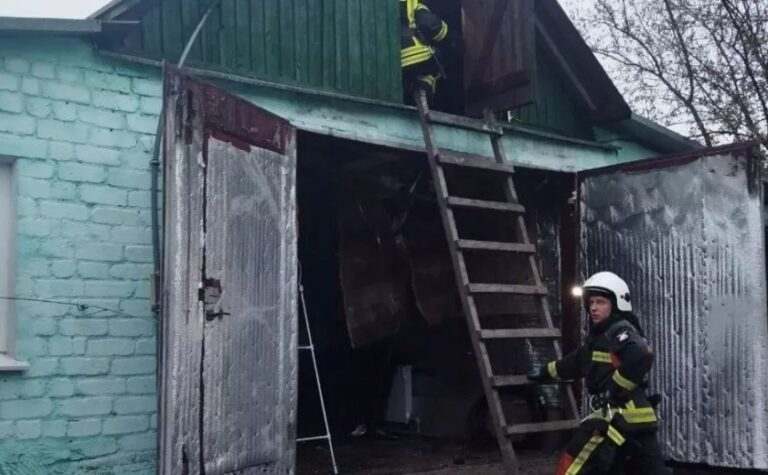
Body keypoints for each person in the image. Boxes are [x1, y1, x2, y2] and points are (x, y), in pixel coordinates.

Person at [527, 271, 671, 475]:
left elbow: (642, 354)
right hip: (636, 419)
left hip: (618, 418)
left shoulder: (619, 330)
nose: (593, 308)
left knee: (573, 465)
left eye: (601, 302)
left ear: (617, 303)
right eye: (591, 302)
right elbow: (576, 363)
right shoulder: (600, 337)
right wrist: (545, 371)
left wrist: (617, 387)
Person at [400, 0, 448, 104]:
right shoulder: (412, 3)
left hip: (390, 62)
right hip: (413, 54)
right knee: (438, 57)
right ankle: (423, 90)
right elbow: (437, 30)